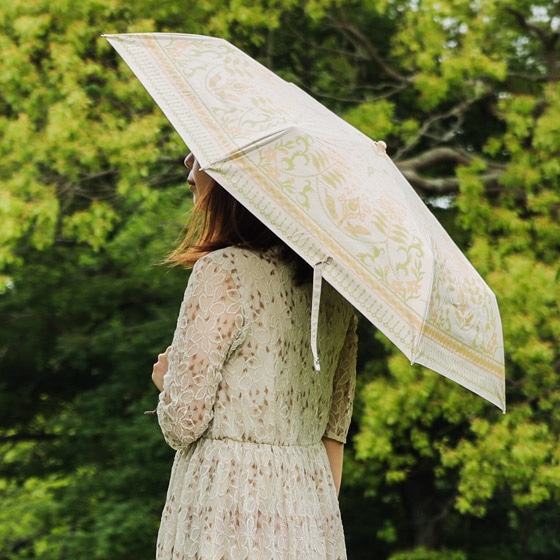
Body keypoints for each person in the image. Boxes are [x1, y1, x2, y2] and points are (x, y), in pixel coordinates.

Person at [151, 152, 358, 559]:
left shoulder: (221, 271)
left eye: (202, 154)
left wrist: (169, 382)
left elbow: (182, 423)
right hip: (310, 523)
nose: (189, 164)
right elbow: (334, 441)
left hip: (224, 515)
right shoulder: (335, 295)